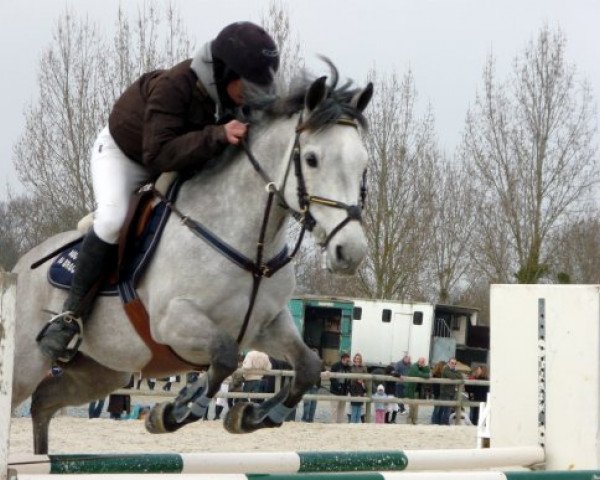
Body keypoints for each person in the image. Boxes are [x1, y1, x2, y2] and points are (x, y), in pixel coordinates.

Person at [35, 21, 281, 362]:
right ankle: (70, 316)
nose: (254, 94)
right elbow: (158, 153)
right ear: (226, 72)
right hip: (127, 156)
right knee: (111, 220)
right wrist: (218, 135)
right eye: (250, 84)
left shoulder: (235, 98)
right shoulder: (174, 85)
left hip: (179, 162)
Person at [404, 357, 430, 425]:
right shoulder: (414, 367)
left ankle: (414, 421)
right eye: (421, 362)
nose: (422, 363)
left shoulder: (422, 367)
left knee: (416, 407)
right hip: (412, 389)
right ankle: (410, 421)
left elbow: (428, 374)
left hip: (418, 390)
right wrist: (424, 374)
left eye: (423, 362)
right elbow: (418, 374)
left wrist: (425, 366)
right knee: (412, 406)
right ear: (418, 361)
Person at [438, 357, 463, 425]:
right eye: (452, 363)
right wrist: (455, 374)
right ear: (448, 363)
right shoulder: (446, 369)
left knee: (446, 409)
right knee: (445, 409)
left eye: (455, 363)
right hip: (445, 392)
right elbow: (452, 376)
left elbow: (461, 376)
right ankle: (444, 423)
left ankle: (442, 423)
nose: (453, 364)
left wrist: (455, 374)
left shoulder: (454, 370)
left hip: (451, 392)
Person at [328, 352, 351, 423]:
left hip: (344, 392)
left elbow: (349, 379)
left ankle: (340, 424)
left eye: (348, 361)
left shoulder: (349, 367)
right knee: (334, 410)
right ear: (343, 359)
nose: (348, 362)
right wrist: (338, 386)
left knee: (342, 410)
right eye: (347, 361)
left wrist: (347, 388)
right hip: (335, 392)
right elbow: (332, 378)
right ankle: (333, 424)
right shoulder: (335, 366)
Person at [301, 348, 323, 423]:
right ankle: (304, 419)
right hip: (307, 386)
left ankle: (310, 419)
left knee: (313, 403)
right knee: (307, 403)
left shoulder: (320, 363)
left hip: (315, 386)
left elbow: (324, 371)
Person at [349, 353, 367, 423]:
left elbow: (366, 377)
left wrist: (363, 382)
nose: (357, 360)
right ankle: (352, 422)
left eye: (359, 358)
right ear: (354, 359)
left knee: (360, 407)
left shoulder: (363, 367)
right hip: (353, 387)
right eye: (356, 358)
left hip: (360, 388)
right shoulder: (351, 367)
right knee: (352, 407)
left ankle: (358, 422)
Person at [429, 360, 446, 425]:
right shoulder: (437, 374)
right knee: (437, 408)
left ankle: (438, 420)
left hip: (440, 392)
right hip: (438, 392)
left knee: (440, 407)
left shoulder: (439, 374)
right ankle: (434, 420)